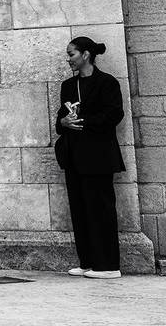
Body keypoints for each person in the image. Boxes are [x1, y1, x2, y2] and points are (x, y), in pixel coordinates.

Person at [54, 36, 126, 280]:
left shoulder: (107, 83)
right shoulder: (68, 85)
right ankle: (87, 262)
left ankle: (108, 266)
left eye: (72, 54)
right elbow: (60, 121)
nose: (69, 59)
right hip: (74, 157)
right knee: (80, 210)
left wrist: (82, 122)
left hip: (99, 157)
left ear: (86, 55)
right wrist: (63, 122)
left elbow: (114, 114)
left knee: (101, 210)